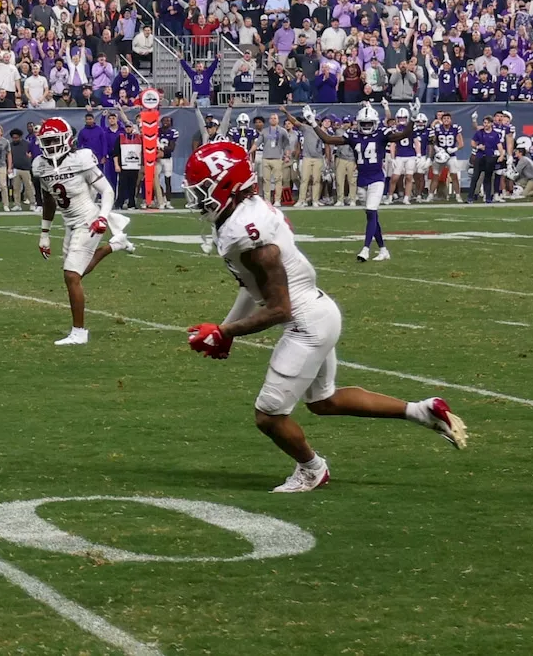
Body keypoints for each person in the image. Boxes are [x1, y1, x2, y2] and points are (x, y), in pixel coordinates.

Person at [181, 141, 467, 493]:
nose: (197, 199)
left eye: (203, 190)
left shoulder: (249, 235)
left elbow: (278, 308)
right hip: (319, 311)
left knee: (269, 415)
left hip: (306, 324)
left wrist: (225, 332)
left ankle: (311, 470)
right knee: (323, 401)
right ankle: (421, 411)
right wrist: (227, 331)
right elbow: (250, 286)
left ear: (228, 186)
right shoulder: (246, 214)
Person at [34, 118, 136, 346]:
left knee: (71, 275)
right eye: (46, 141)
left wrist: (102, 217)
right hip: (69, 222)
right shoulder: (40, 165)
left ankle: (79, 332)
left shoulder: (80, 159)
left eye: (53, 140)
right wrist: (44, 233)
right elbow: (49, 200)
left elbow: (107, 191)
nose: (49, 145)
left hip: (88, 219)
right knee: (76, 273)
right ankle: (115, 244)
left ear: (66, 140)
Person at [303, 103, 416, 262]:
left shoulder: (382, 134)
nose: (367, 126)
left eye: (369, 123)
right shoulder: (353, 135)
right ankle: (383, 249)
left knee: (371, 211)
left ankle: (366, 249)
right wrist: (313, 122)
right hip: (361, 179)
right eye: (364, 123)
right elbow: (327, 139)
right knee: (372, 216)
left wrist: (413, 119)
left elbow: (404, 134)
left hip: (377, 178)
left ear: (375, 123)